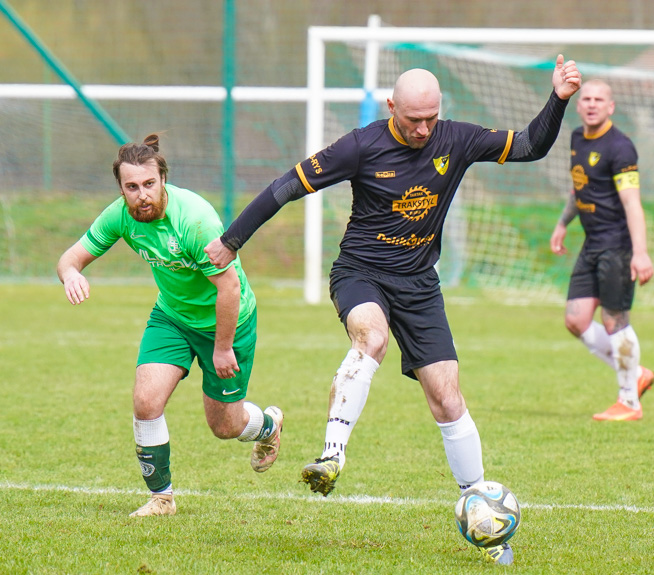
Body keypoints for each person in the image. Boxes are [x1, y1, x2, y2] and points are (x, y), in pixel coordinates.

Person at [205, 56, 582, 565]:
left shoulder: (457, 139)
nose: (423, 129)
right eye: (412, 120)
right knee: (372, 338)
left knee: (447, 398)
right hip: (360, 273)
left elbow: (532, 146)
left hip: (420, 287)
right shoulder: (361, 145)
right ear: (391, 108)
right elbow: (287, 187)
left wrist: (558, 97)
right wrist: (232, 240)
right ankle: (332, 454)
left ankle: (484, 514)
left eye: (431, 117)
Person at [57, 134, 283, 517]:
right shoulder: (120, 216)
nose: (141, 195)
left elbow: (228, 287)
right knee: (146, 402)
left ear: (163, 180)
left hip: (226, 321)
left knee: (225, 426)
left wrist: (223, 347)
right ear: (121, 189)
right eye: (132, 187)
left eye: (149, 184)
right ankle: (162, 498)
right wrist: (71, 274)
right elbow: (69, 258)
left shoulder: (194, 221)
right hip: (172, 318)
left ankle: (268, 426)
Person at [549, 79, 654, 423]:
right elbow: (580, 187)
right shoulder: (577, 138)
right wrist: (564, 223)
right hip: (591, 243)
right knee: (575, 320)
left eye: (599, 99)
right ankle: (635, 373)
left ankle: (629, 401)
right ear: (579, 106)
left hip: (617, 245)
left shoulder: (620, 147)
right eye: (587, 99)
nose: (592, 104)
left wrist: (640, 252)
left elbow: (632, 203)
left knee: (614, 321)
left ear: (611, 107)